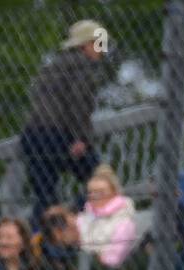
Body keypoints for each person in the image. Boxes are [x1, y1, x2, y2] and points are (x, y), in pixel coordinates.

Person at [20, 19, 111, 227]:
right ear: (85, 44)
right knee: (100, 179)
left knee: (45, 194)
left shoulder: (52, 66)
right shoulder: (83, 67)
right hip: (58, 134)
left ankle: (39, 238)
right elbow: (78, 105)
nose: (102, 50)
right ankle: (73, 215)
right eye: (98, 43)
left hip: (33, 135)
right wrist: (81, 138)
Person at [77, 164, 137, 268]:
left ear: (114, 192)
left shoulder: (124, 220)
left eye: (100, 192)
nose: (94, 196)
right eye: (91, 192)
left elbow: (114, 257)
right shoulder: (85, 216)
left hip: (108, 269)